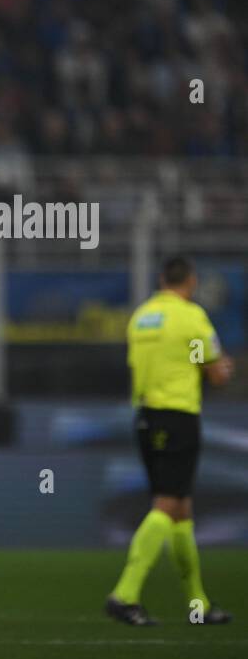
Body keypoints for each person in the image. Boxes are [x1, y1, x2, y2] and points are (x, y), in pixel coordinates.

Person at [106, 256, 234, 626]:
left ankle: (199, 605)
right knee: (166, 505)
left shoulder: (141, 317)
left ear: (162, 279)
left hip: (146, 416)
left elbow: (145, 363)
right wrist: (220, 367)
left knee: (180, 510)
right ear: (191, 281)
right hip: (178, 416)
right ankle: (124, 594)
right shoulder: (191, 317)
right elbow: (213, 371)